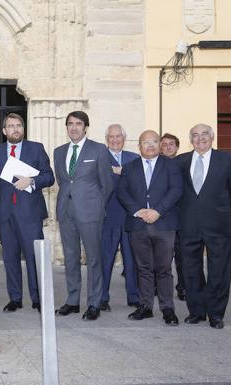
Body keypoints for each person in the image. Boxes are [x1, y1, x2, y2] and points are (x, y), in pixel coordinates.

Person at [176, 124, 231, 329]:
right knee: (190, 270)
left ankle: (216, 313)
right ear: (191, 139)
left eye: (204, 134)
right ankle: (196, 311)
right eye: (195, 135)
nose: (200, 139)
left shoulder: (227, 160)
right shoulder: (180, 161)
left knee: (219, 270)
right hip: (188, 225)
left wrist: (218, 209)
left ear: (212, 136)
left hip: (218, 225)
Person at [0, 113, 55, 313]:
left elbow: (49, 176)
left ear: (23, 129)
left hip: (30, 214)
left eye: (18, 125)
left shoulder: (36, 148)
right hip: (5, 214)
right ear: (4, 131)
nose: (15, 129)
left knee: (35, 258)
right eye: (10, 126)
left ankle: (38, 298)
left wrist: (32, 181)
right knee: (10, 258)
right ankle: (15, 298)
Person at [117, 130, 182, 326]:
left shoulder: (171, 165)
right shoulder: (129, 167)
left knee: (163, 269)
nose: (151, 145)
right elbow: (122, 192)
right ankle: (145, 306)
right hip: (138, 225)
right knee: (143, 268)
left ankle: (167, 308)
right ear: (139, 146)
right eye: (146, 142)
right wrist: (138, 211)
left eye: (154, 141)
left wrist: (157, 211)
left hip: (164, 224)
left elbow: (176, 190)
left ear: (159, 144)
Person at [53, 111, 113, 321]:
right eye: (70, 124)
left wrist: (95, 206)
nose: (74, 128)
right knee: (70, 258)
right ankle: (72, 301)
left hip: (90, 213)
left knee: (94, 258)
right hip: (66, 212)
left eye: (78, 124)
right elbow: (64, 182)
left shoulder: (98, 150)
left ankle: (94, 303)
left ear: (86, 127)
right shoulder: (59, 152)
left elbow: (107, 184)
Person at [100, 124, 140, 311]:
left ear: (124, 138)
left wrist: (122, 171)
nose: (115, 140)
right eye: (111, 137)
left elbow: (140, 185)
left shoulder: (135, 159)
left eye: (118, 136)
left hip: (130, 217)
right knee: (105, 259)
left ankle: (134, 297)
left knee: (132, 260)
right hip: (107, 217)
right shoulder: (99, 158)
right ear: (106, 139)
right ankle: (102, 297)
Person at [160, 133, 186, 301]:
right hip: (162, 218)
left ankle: (183, 287)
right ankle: (159, 286)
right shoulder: (155, 165)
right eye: (164, 144)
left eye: (171, 144)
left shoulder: (185, 164)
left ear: (177, 147)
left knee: (183, 256)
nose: (168, 147)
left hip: (183, 218)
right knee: (162, 256)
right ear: (160, 148)